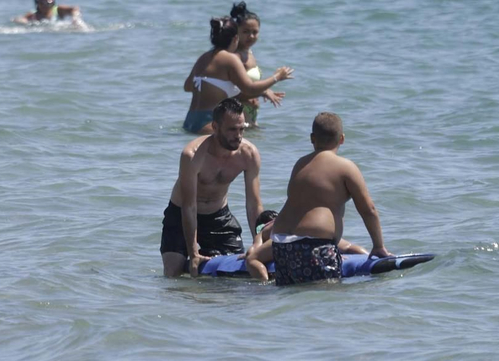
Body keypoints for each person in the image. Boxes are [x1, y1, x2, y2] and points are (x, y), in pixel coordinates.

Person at [268, 112, 390, 286]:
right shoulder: (345, 167)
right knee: (326, 299)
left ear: (312, 138)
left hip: (280, 245)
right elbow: (368, 209)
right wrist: (378, 246)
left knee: (293, 298)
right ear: (342, 139)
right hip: (314, 247)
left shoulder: (300, 164)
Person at [160, 98, 262, 277]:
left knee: (238, 271)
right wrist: (193, 254)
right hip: (181, 214)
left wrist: (258, 244)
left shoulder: (249, 154)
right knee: (173, 273)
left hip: (218, 217)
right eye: (232, 129)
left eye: (241, 129)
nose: (238, 135)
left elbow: (253, 204)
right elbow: (189, 205)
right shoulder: (193, 155)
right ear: (215, 127)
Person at [182, 14, 291, 134]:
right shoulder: (230, 59)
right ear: (235, 39)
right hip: (210, 121)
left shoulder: (204, 57)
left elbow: (187, 87)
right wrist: (277, 77)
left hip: (190, 120)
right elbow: (249, 88)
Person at [241, 208, 369, 282]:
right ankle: (369, 257)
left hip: (286, 238)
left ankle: (264, 283)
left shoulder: (265, 230)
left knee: (253, 260)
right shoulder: (286, 218)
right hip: (312, 227)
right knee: (347, 246)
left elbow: (252, 252)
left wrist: (247, 255)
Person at [229, 2, 271, 128]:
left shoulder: (249, 53)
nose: (251, 36)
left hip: (251, 116)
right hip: (234, 119)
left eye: (255, 32)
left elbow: (248, 86)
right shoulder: (234, 56)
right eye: (246, 31)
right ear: (237, 32)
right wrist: (261, 92)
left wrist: (259, 92)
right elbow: (228, 93)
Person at [14, 0, 81, 24]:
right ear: (37, 1)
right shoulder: (33, 15)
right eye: (42, 1)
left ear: (53, 0)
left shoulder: (58, 10)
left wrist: (75, 18)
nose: (45, 5)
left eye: (48, 1)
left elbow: (74, 9)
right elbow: (20, 20)